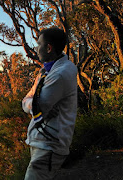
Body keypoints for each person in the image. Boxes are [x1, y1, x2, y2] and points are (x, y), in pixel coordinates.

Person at [22, 27, 77, 180]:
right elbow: (29, 103)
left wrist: (33, 105)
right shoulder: (46, 72)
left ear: (49, 47)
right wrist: (33, 104)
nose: (36, 48)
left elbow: (39, 106)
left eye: (39, 44)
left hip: (48, 144)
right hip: (43, 142)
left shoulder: (59, 74)